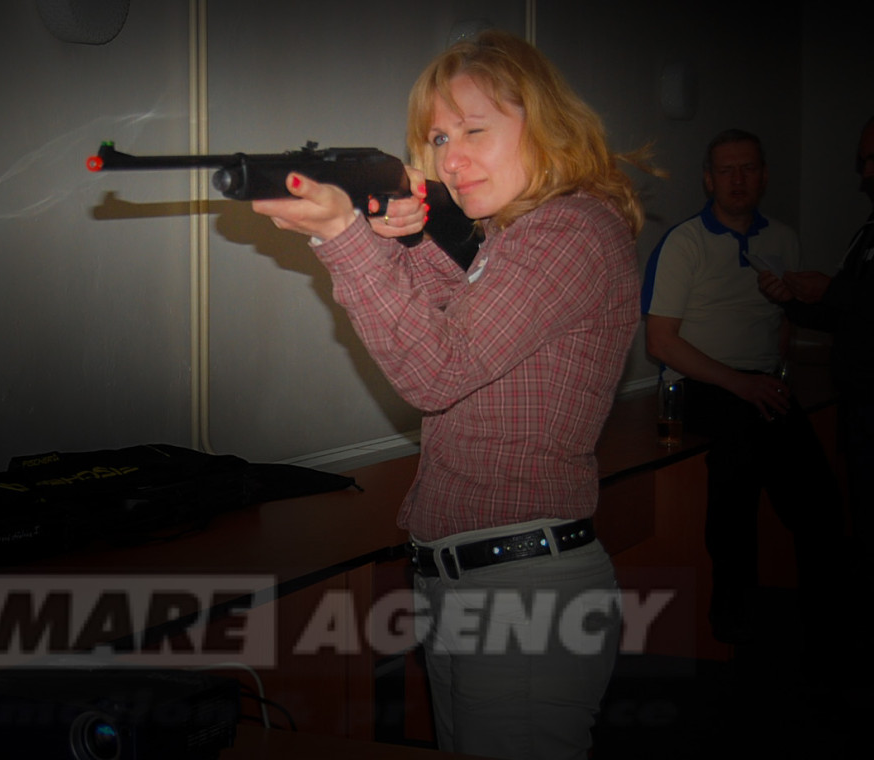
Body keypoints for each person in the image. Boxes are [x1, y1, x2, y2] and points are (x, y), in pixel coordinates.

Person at [252, 30, 652, 760]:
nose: (451, 160)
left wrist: (343, 234)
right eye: (438, 139)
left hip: (520, 587)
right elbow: (447, 322)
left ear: (547, 124)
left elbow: (436, 372)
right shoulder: (510, 237)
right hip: (475, 582)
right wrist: (394, 237)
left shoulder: (569, 228)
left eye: (474, 130)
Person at [642, 129, 846, 646]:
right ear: (708, 180)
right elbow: (661, 342)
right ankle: (733, 613)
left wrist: (772, 376)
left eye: (748, 168)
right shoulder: (685, 242)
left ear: (764, 176)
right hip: (698, 385)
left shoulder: (784, 237)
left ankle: (827, 622)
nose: (738, 179)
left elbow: (782, 322)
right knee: (737, 459)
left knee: (819, 497)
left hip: (760, 384)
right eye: (726, 170)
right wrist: (742, 383)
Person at [758, 116, 874, 545]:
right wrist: (790, 299)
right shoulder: (868, 230)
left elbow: (848, 299)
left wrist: (833, 290)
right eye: (862, 161)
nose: (866, 173)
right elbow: (841, 317)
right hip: (858, 402)